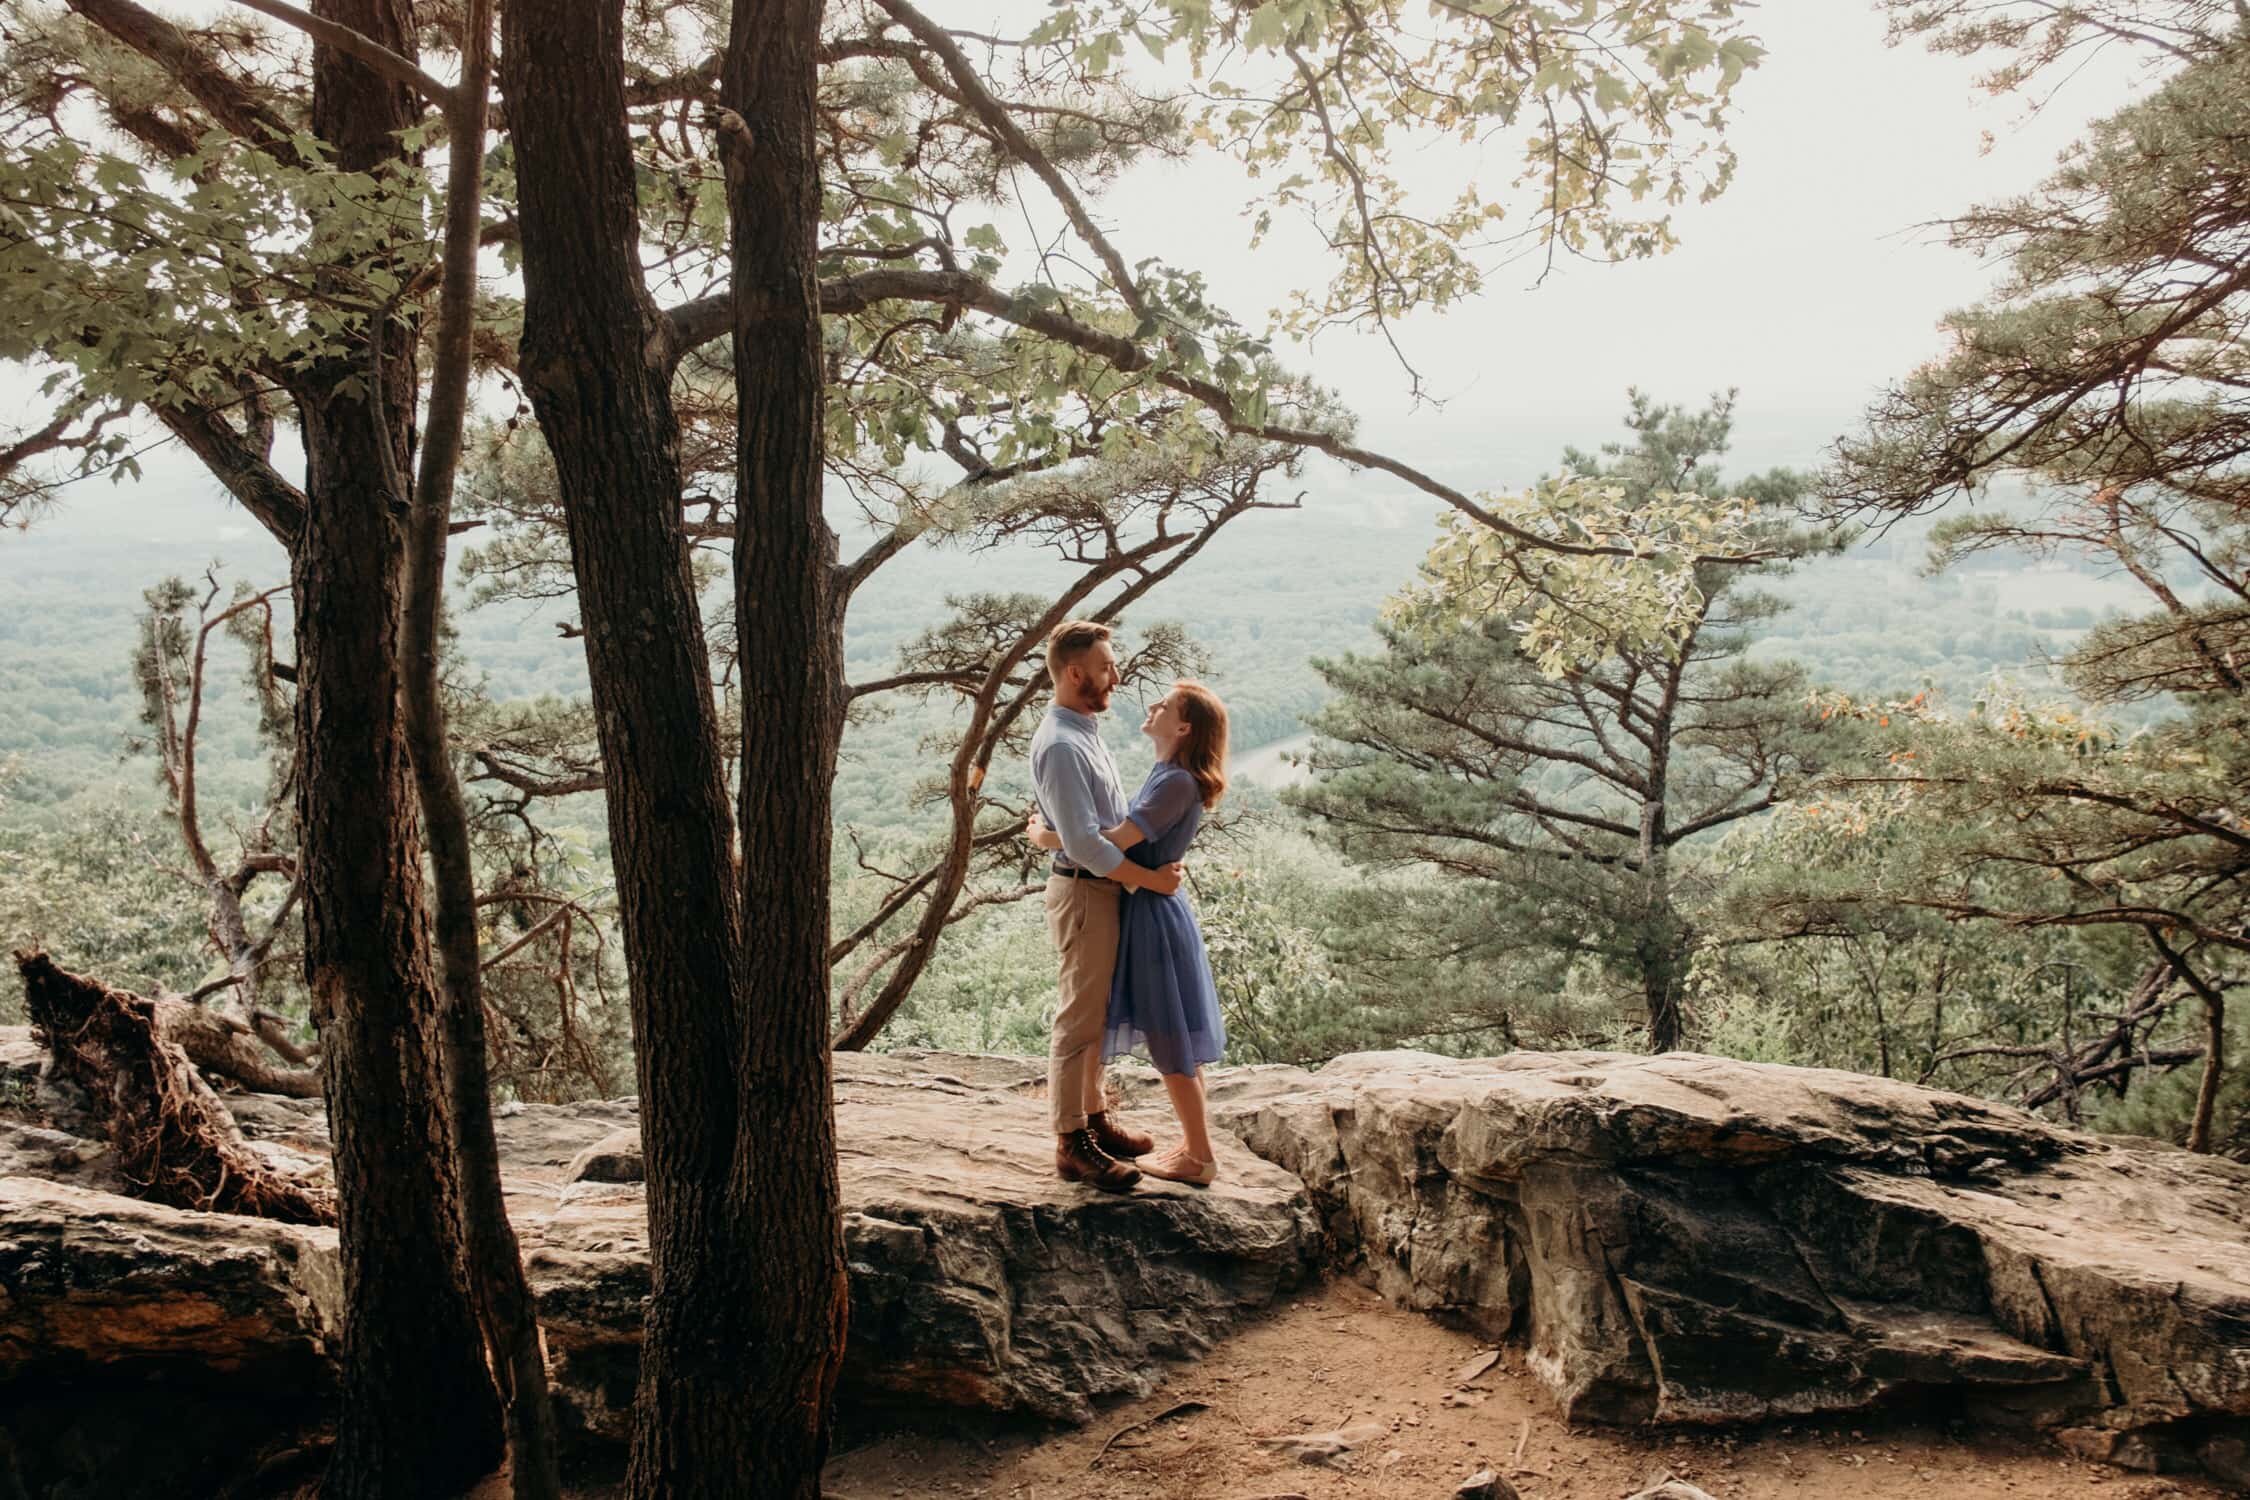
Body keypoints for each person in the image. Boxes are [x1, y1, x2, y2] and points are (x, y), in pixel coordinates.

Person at [1030, 679, 1230, 1187]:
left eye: (1165, 705)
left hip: (1154, 916)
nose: (1152, 705)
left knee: (1170, 1035)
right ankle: (1161, 1141)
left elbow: (1107, 840)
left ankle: (1198, 1156)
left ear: (1183, 727)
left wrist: (1043, 836)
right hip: (1145, 907)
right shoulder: (1166, 772)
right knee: (1158, 1028)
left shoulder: (1176, 782)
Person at [1026, 621, 1182, 1193]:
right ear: (1075, 674)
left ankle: (1093, 1121)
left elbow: (1087, 826)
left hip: (1100, 889)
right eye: (1106, 666)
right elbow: (1088, 844)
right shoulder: (1064, 744)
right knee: (1078, 1018)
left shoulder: (1084, 728)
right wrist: (1149, 881)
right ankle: (1072, 1144)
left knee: (1096, 1015)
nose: (1115, 675)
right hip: (1087, 892)